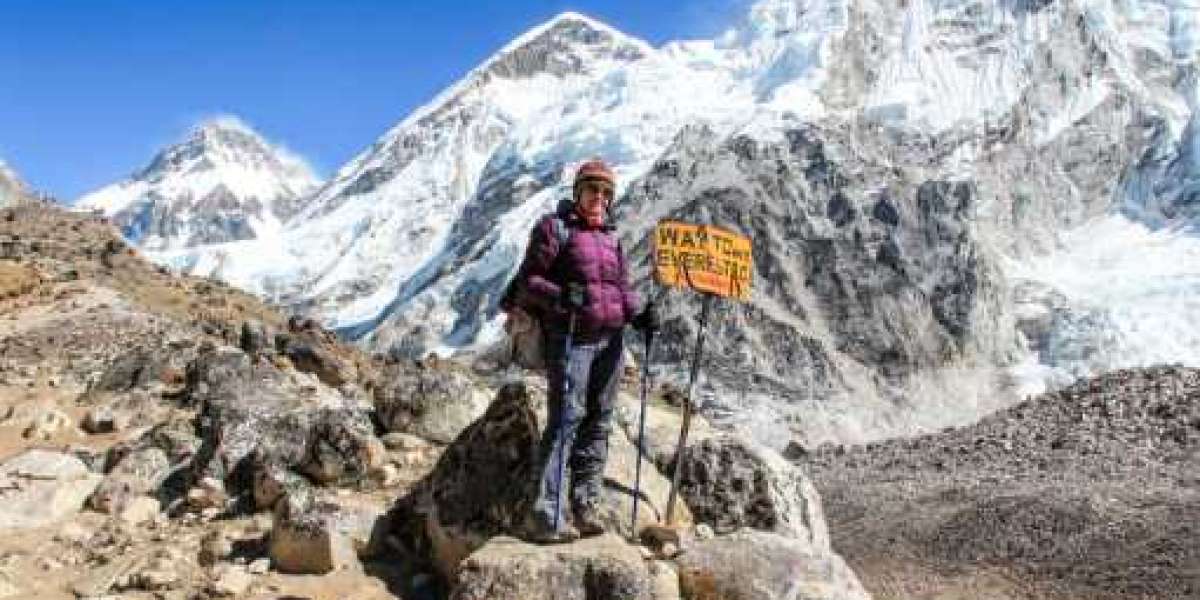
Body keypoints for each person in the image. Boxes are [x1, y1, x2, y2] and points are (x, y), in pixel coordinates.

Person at [503, 158, 659, 543]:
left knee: (600, 421)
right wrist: (560, 295)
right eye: (593, 189)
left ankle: (585, 503)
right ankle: (545, 513)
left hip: (611, 340)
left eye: (607, 193)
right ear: (578, 192)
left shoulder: (611, 237)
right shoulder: (554, 229)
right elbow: (528, 282)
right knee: (566, 421)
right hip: (571, 338)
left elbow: (619, 286)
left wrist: (638, 313)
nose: (599, 198)